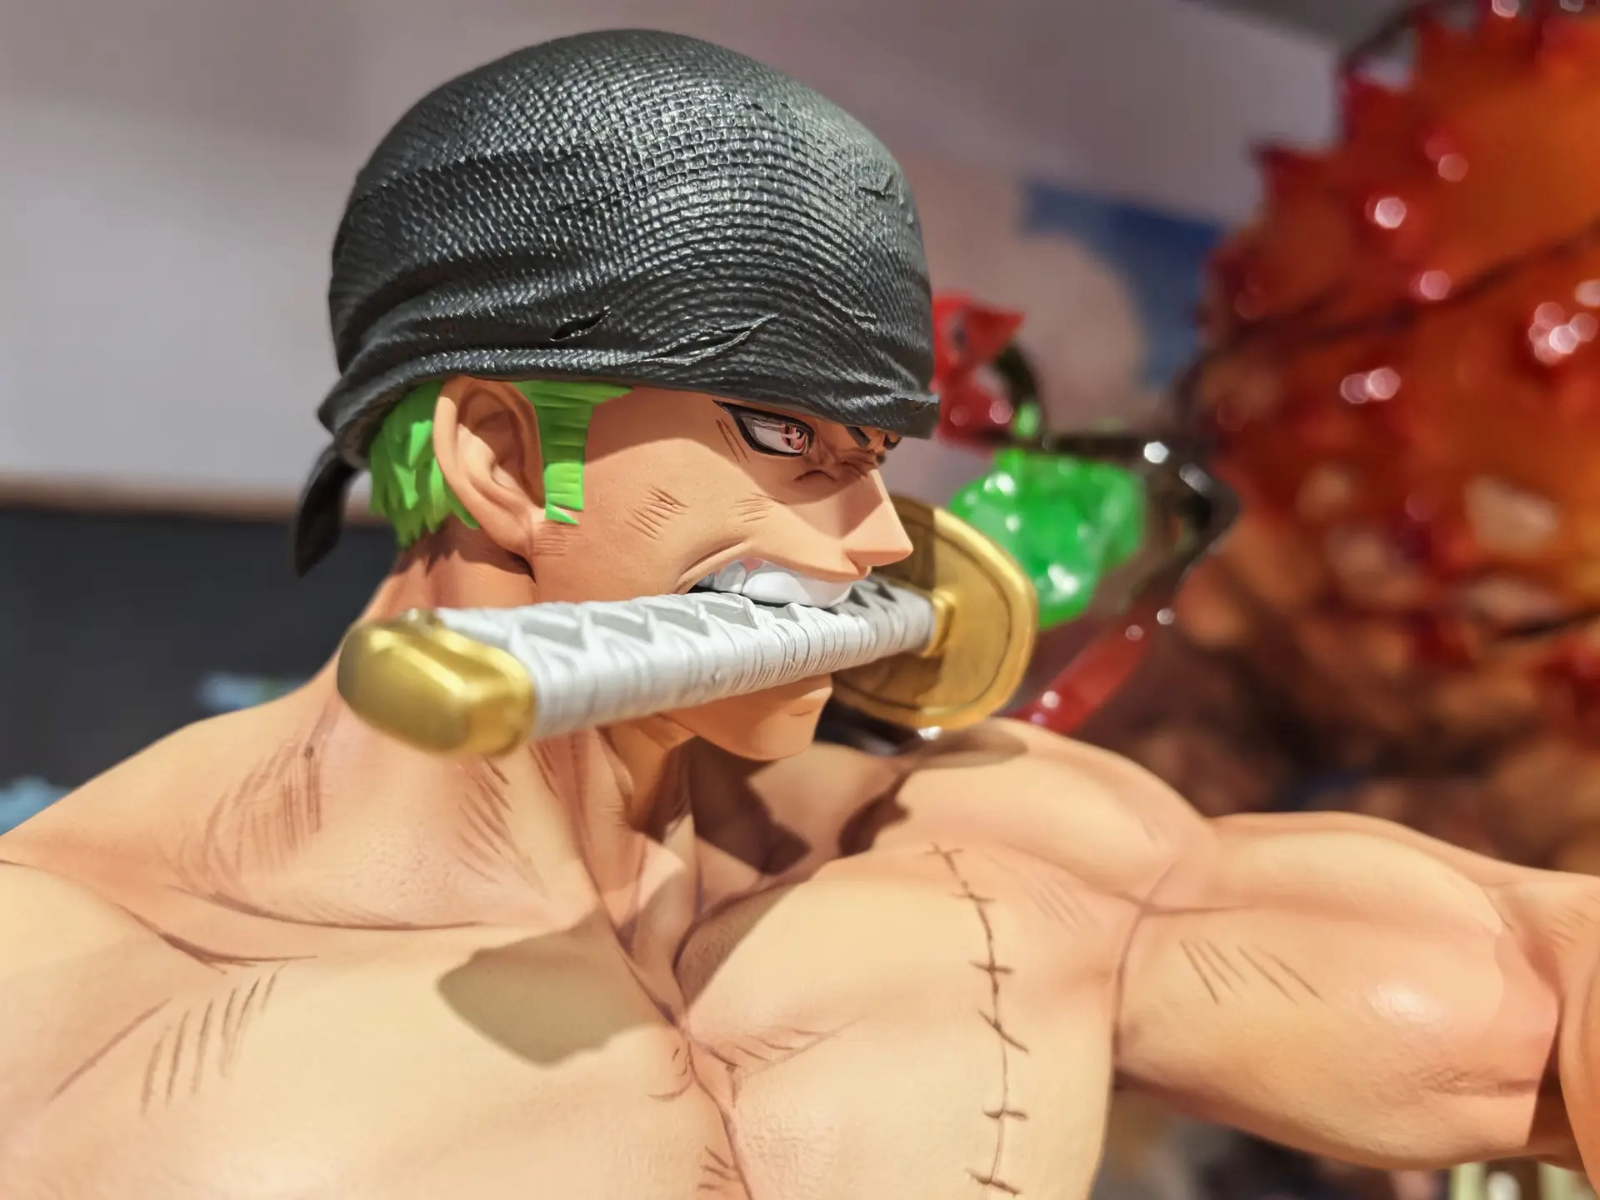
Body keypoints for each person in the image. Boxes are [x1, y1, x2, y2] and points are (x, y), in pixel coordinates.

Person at [0, 29, 1597, 1200]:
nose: (873, 544)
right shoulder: (78, 1000)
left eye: (876, 460)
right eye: (785, 445)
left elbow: (1522, 997)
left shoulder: (981, 843)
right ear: (499, 458)